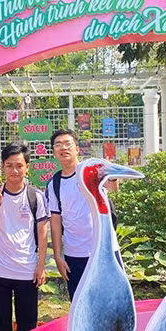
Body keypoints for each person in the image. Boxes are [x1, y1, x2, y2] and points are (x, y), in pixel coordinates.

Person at [0, 143, 49, 331]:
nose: (14, 171)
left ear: (27, 167)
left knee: (27, 330)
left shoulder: (36, 197)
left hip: (27, 271)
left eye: (19, 165)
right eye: (9, 166)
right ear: (3, 168)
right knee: (0, 330)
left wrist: (41, 265)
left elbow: (43, 232)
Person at [47, 128, 121, 301]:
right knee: (81, 304)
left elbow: (113, 187)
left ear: (77, 149)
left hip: (105, 250)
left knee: (111, 301)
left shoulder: (91, 171)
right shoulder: (54, 184)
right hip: (75, 254)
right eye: (58, 145)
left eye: (67, 144)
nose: (63, 148)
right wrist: (58, 255)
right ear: (54, 152)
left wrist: (110, 173)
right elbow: (56, 221)